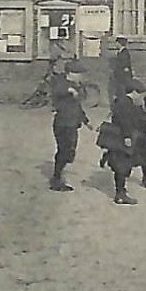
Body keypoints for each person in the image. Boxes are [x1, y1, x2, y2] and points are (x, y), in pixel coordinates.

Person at [102, 79, 146, 205]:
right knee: (123, 166)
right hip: (122, 137)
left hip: (119, 136)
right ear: (134, 92)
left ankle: (121, 192)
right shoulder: (126, 104)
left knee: (121, 164)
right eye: (139, 93)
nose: (140, 97)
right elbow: (125, 122)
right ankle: (120, 194)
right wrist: (128, 137)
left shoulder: (121, 101)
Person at [49, 60, 92, 192]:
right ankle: (56, 179)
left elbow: (77, 107)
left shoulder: (76, 85)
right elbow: (57, 91)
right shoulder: (61, 83)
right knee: (64, 151)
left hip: (72, 124)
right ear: (71, 73)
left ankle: (58, 174)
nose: (81, 76)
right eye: (79, 73)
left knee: (69, 152)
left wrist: (86, 121)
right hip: (62, 124)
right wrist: (69, 90)